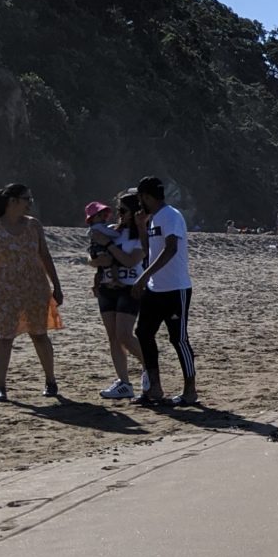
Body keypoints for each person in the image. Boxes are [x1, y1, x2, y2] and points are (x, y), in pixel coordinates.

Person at [0, 182, 64, 402]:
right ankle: (0, 386)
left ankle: (51, 381)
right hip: (4, 289)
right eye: (27, 199)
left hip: (35, 287)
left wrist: (57, 286)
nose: (30, 203)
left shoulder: (34, 225)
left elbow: (45, 256)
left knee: (39, 334)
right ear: (12, 201)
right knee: (5, 336)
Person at [131, 174, 198, 408]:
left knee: (178, 339)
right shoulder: (153, 219)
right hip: (155, 288)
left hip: (175, 288)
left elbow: (171, 249)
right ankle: (154, 387)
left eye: (140, 198)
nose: (139, 203)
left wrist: (143, 276)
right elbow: (150, 250)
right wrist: (141, 227)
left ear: (146, 197)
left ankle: (190, 390)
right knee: (143, 333)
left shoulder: (171, 215)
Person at [88, 194, 146, 400]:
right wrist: (96, 262)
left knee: (124, 335)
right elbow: (91, 257)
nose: (119, 215)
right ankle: (124, 382)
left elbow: (130, 261)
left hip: (130, 288)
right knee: (113, 337)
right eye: (118, 210)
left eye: (123, 211)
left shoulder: (141, 236)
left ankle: (150, 369)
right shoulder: (112, 230)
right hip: (106, 288)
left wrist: (109, 246)